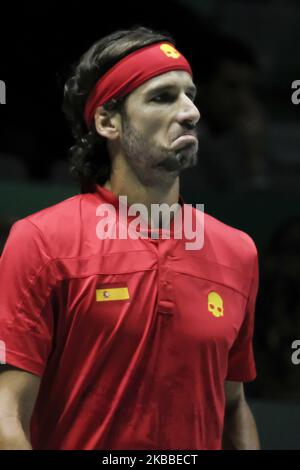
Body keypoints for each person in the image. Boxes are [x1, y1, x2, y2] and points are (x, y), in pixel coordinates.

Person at [0, 26, 260, 450]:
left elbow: (232, 407)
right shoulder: (41, 242)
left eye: (190, 94)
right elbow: (6, 415)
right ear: (107, 121)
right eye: (162, 97)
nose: (190, 111)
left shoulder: (238, 252)